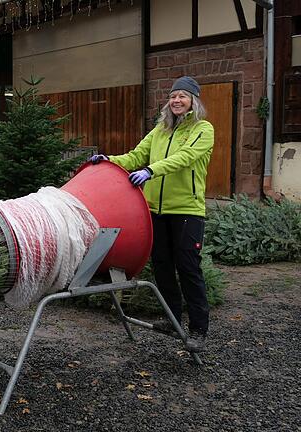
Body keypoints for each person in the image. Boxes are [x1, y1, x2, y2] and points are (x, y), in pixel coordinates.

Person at [89, 76, 214, 352]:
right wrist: (110, 160)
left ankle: (198, 329)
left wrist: (151, 170)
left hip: (186, 210)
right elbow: (135, 156)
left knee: (188, 267)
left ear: (193, 100)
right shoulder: (160, 130)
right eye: (173, 96)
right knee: (162, 264)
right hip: (156, 210)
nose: (176, 100)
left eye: (183, 95)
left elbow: (185, 158)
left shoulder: (203, 130)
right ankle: (172, 317)